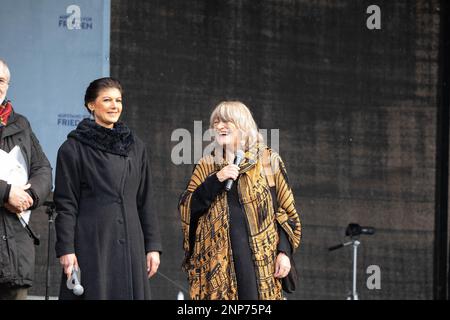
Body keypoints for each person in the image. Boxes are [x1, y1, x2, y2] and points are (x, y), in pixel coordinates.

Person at [179, 101, 302, 300]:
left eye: (227, 121)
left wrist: (284, 253)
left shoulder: (267, 160)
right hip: (215, 266)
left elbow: (286, 211)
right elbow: (187, 207)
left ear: (243, 125)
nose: (219, 126)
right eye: (216, 122)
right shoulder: (207, 165)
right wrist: (216, 180)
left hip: (259, 262)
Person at [54, 77, 162, 300]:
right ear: (91, 105)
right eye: (107, 100)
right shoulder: (73, 148)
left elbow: (145, 200)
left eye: (118, 100)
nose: (115, 106)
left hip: (131, 245)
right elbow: (65, 204)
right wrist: (66, 249)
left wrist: (152, 246)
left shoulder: (136, 146)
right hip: (92, 245)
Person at [0, 58, 52, 299]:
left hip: (16, 252)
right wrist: (5, 192)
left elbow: (43, 169)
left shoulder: (21, 123)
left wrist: (28, 196)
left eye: (2, 80)